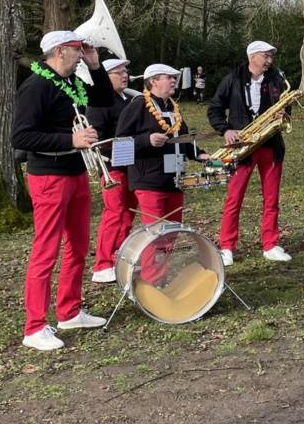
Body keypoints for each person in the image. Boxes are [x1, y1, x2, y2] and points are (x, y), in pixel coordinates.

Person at [11, 30, 115, 351]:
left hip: (75, 172)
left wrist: (96, 66)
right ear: (59, 51)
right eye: (76, 49)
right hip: (48, 177)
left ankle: (69, 311)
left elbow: (104, 101)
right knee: (46, 251)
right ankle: (35, 326)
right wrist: (71, 140)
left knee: (79, 245)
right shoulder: (35, 86)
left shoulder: (73, 83)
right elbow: (21, 138)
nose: (80, 53)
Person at [207, 41, 290, 265]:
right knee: (234, 198)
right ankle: (227, 246)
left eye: (271, 56)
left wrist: (283, 113)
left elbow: (285, 108)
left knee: (271, 199)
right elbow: (214, 108)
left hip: (270, 146)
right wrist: (225, 130)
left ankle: (270, 244)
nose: (269, 61)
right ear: (252, 56)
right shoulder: (232, 79)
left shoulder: (276, 80)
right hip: (241, 147)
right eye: (266, 56)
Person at [116, 63, 204, 226]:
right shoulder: (138, 104)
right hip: (149, 180)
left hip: (175, 180)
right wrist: (146, 140)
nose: (174, 81)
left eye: (175, 78)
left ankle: (166, 253)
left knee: (173, 231)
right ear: (154, 81)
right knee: (156, 233)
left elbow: (182, 137)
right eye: (169, 77)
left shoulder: (173, 107)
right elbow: (119, 145)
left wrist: (200, 154)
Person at [85, 58, 139, 283]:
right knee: (114, 212)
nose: (124, 75)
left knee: (128, 213)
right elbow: (96, 136)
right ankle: (102, 264)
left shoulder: (128, 99)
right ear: (106, 77)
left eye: (125, 71)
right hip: (111, 164)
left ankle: (119, 255)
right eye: (118, 72)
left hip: (132, 164)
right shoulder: (99, 102)